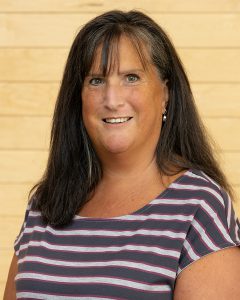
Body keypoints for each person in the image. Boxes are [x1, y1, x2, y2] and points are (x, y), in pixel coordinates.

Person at [4, 10, 240, 300]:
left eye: (131, 77)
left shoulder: (199, 207)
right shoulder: (44, 204)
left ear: (165, 92)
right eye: (96, 81)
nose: (112, 100)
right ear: (77, 96)